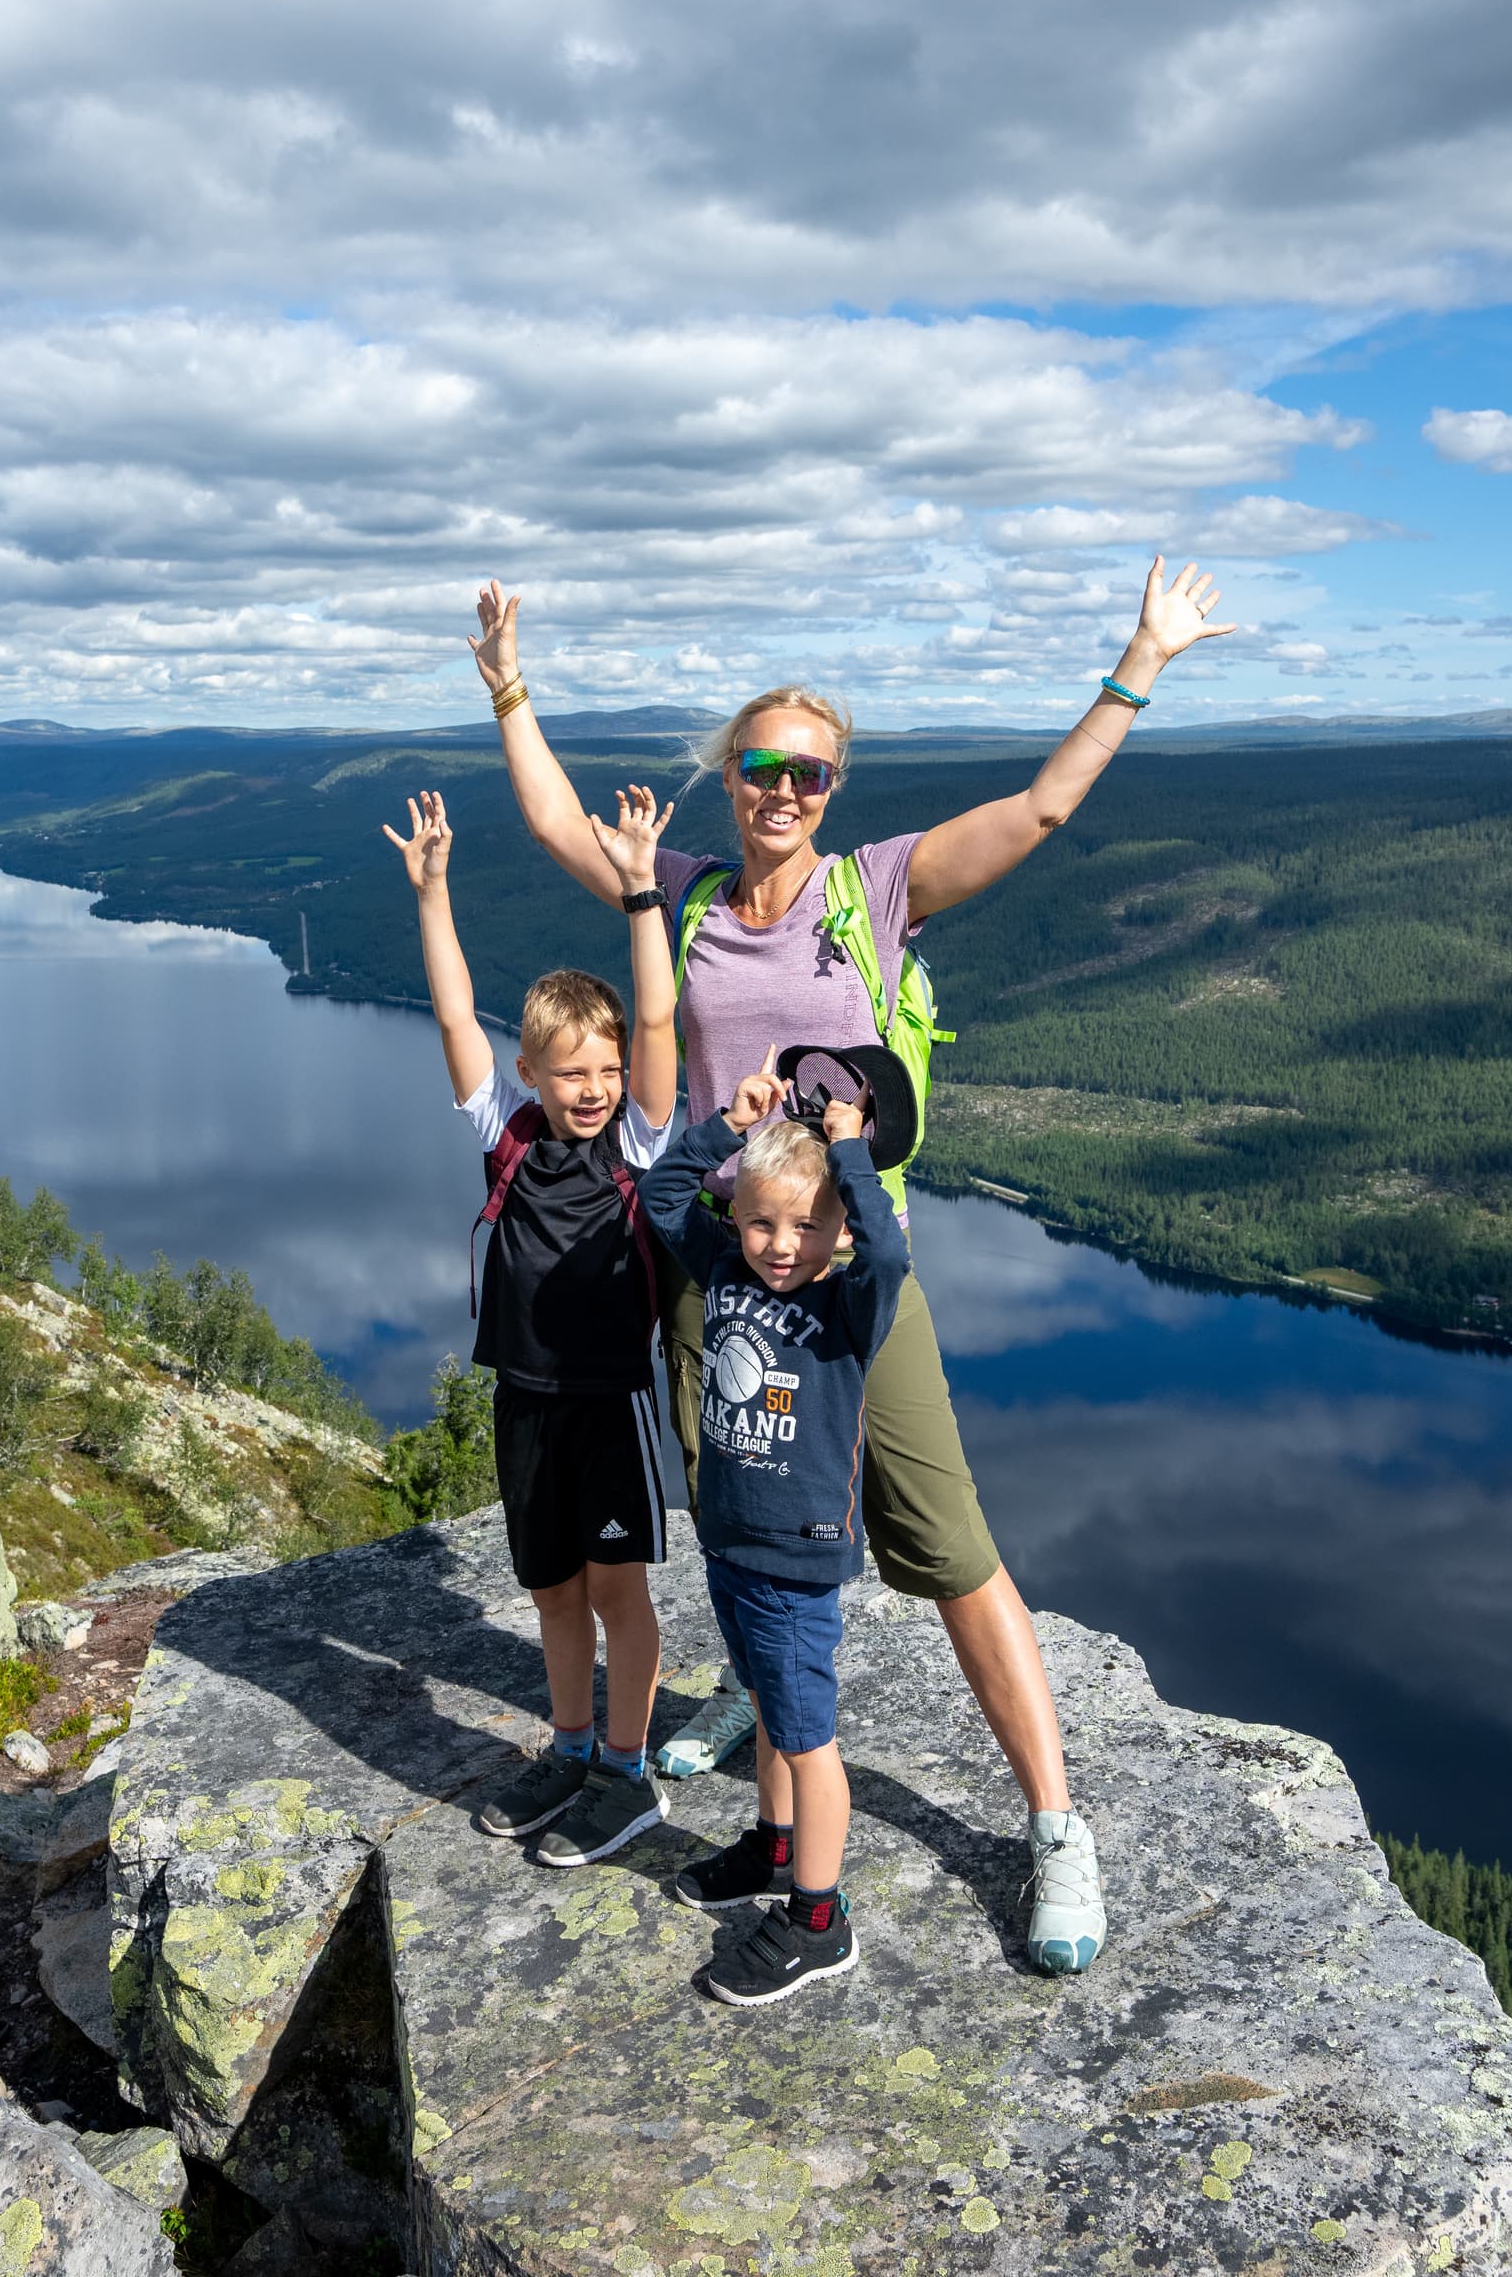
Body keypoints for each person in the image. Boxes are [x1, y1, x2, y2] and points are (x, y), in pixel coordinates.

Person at [469, 554, 1248, 1975]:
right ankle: (774, 1788)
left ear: (834, 790)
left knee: (944, 1542)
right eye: (763, 767)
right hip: (717, 1270)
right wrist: (510, 689)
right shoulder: (685, 896)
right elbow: (552, 824)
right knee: (748, 1531)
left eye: (810, 773)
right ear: (730, 777)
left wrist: (1141, 662)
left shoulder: (876, 888)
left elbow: (1041, 809)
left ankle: (1055, 1824)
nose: (784, 791)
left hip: (850, 1283)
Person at [387, 782, 686, 1868]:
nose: (594, 1088)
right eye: (572, 1072)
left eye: (607, 1071)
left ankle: (627, 1771)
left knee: (617, 1591)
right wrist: (433, 893)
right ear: (532, 1075)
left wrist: (643, 892)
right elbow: (454, 1016)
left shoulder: (636, 1146)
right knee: (553, 1590)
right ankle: (568, 1748)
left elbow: (657, 1018)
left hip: (607, 1406)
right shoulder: (505, 1133)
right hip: (523, 1400)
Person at [641, 1069, 906, 2005]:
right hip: (732, 1546)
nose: (781, 1245)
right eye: (761, 1223)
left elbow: (889, 1255)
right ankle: (775, 1845)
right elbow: (661, 1193)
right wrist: (729, 1124)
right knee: (766, 1712)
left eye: (806, 1226)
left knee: (807, 1741)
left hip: (795, 1560)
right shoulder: (724, 1268)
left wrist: (849, 1152)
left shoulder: (846, 1306)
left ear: (839, 1228)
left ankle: (818, 1919)